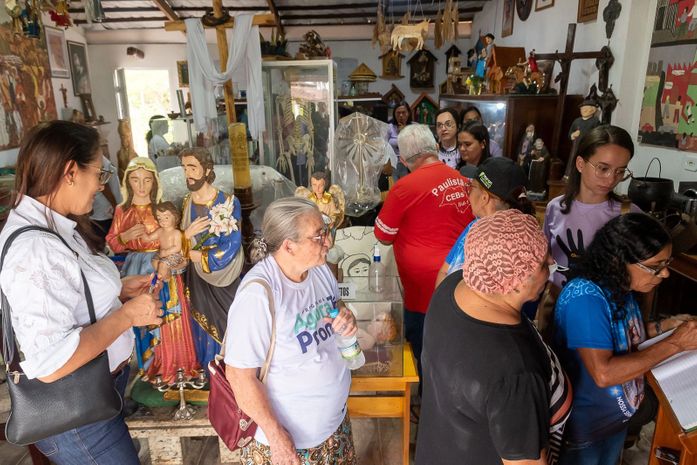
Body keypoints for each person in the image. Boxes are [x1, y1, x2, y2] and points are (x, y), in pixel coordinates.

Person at [0, 121, 160, 464]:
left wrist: (117, 292)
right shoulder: (36, 249)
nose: (101, 185)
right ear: (70, 172)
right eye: (99, 173)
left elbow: (68, 292)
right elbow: (51, 362)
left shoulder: (53, 222)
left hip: (96, 397)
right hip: (77, 417)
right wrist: (127, 316)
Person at [416, 209, 572, 465]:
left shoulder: (452, 287)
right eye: (544, 264)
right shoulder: (514, 372)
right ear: (517, 282)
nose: (552, 264)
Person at [554, 213, 697, 465]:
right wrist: (675, 343)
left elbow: (625, 334)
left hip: (613, 424)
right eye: (655, 266)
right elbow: (604, 373)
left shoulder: (621, 287)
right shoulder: (585, 298)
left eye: (667, 263)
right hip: (585, 432)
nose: (665, 273)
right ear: (619, 261)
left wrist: (666, 326)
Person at [225, 197, 358, 465]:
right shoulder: (258, 295)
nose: (328, 242)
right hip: (288, 446)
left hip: (335, 429)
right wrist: (277, 438)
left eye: (326, 231)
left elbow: (336, 307)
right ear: (289, 245)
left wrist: (346, 318)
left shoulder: (320, 272)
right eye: (319, 236)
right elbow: (240, 377)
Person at [374, 124, 474, 389]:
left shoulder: (404, 188)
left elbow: (383, 235)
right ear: (435, 148)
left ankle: (431, 402)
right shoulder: (463, 181)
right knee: (458, 351)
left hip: (424, 292)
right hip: (463, 283)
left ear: (404, 160)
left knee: (426, 353)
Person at [543, 125, 640, 290]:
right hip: (557, 299)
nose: (611, 179)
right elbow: (545, 256)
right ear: (580, 164)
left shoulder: (629, 214)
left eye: (620, 171)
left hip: (604, 302)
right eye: (603, 168)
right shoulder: (555, 207)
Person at [181, 147, 244, 367]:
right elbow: (181, 237)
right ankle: (208, 370)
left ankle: (229, 370)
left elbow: (233, 244)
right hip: (197, 278)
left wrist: (202, 257)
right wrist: (185, 237)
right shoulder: (187, 201)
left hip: (222, 276)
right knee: (200, 322)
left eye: (192, 168)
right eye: (184, 168)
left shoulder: (227, 202)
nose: (188, 174)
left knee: (228, 323)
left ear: (207, 170)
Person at [436, 157, 532, 287]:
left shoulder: (505, 248)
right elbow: (444, 270)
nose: (468, 193)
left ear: (484, 198)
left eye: (471, 187)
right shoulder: (474, 225)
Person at [90, 154, 121, 242]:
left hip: (104, 209)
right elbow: (105, 186)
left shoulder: (100, 158)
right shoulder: (96, 158)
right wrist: (115, 206)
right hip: (105, 210)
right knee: (111, 240)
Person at [387, 101, 412, 182]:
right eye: (398, 113)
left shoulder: (414, 128)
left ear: (408, 113)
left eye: (403, 112)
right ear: (394, 114)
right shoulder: (390, 127)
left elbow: (416, 146)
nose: (401, 115)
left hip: (408, 165)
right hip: (393, 164)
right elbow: (383, 145)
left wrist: (404, 133)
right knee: (394, 186)